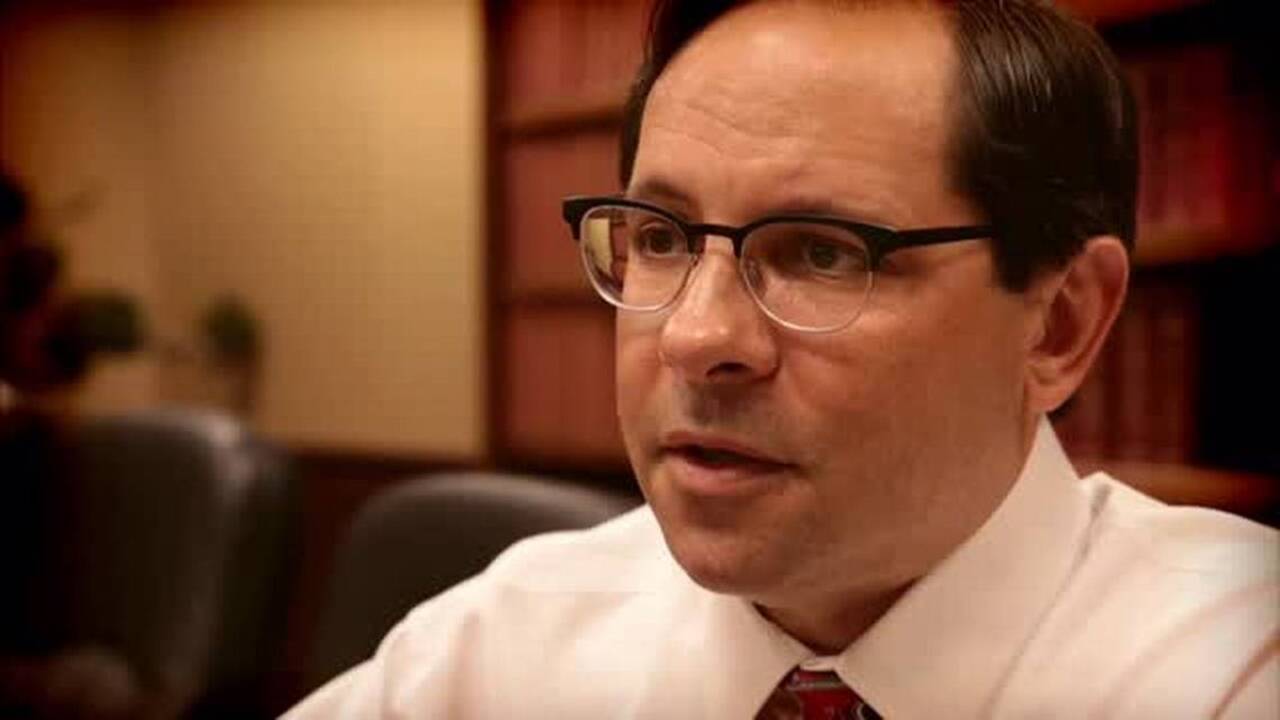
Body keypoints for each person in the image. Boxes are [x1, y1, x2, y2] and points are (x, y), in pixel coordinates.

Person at [285, 1, 1277, 717]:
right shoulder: (504, 644)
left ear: (1058, 324)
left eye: (822, 253)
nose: (695, 338)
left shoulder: (1232, 665)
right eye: (662, 238)